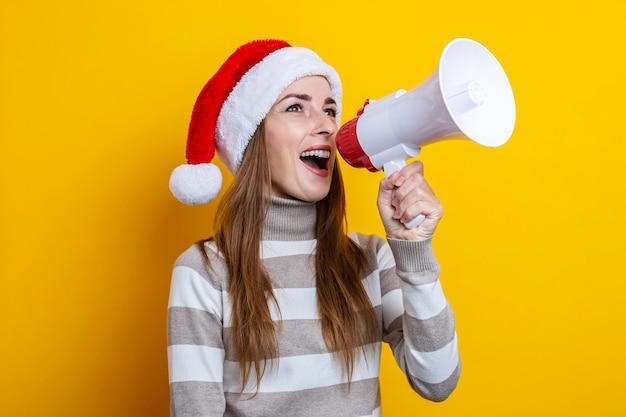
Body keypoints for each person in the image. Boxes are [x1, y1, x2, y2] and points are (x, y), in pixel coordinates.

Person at [167, 39, 460, 417]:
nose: (326, 126)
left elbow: (437, 382)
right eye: (295, 107)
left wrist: (415, 254)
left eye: (329, 110)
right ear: (251, 139)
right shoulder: (205, 272)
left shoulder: (372, 259)